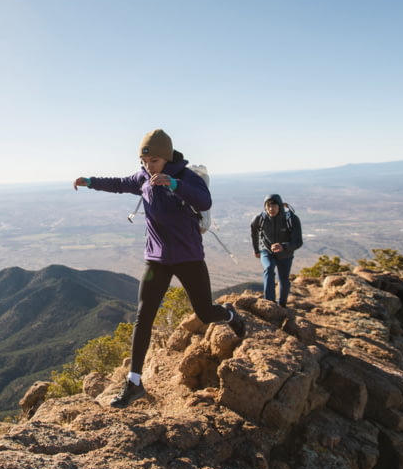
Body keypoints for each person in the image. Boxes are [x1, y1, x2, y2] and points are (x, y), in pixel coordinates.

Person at [73, 129, 246, 408]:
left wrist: (174, 184)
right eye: (144, 161)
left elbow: (205, 201)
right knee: (143, 317)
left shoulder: (186, 177)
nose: (147, 167)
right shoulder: (143, 177)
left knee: (204, 311)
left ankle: (229, 315)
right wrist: (90, 181)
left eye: (153, 161)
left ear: (165, 158)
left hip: (189, 258)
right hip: (156, 261)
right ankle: (134, 383)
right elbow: (119, 183)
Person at [250, 195, 303, 306]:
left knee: (283, 279)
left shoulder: (291, 219)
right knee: (268, 269)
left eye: (274, 206)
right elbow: (254, 232)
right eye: (268, 206)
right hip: (267, 251)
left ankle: (282, 305)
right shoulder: (260, 218)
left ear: (279, 206)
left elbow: (298, 242)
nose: (271, 209)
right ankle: (269, 303)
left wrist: (283, 246)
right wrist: (256, 249)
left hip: (285, 254)